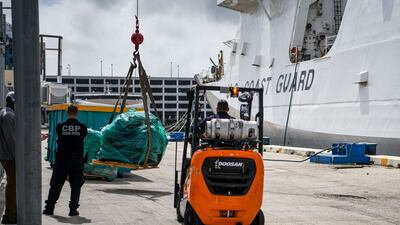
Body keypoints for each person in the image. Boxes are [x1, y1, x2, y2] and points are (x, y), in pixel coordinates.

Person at [43, 104, 87, 216]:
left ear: (67, 113)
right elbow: (83, 139)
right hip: (77, 160)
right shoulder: (82, 127)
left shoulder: (60, 126)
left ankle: (49, 208)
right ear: (77, 113)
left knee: (56, 184)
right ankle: (73, 210)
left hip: (62, 160)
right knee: (76, 185)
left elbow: (60, 138)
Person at [0, 92, 16, 224]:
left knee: (12, 184)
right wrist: (18, 157)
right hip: (9, 156)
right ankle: (9, 215)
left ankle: (12, 213)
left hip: (5, 154)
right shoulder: (9, 116)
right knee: (13, 185)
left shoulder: (4, 113)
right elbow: (11, 139)